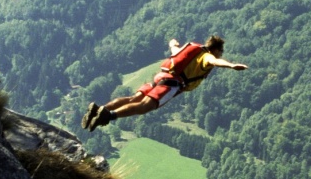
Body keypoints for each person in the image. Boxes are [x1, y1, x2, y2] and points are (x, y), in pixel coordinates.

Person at [82, 35, 247, 130]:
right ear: (216, 49)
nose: (221, 54)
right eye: (221, 51)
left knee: (134, 99)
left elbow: (175, 50)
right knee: (145, 106)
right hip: (172, 83)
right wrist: (231, 65)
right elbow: (214, 61)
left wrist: (172, 44)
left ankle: (100, 108)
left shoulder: (191, 51)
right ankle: (108, 115)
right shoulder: (206, 56)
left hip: (160, 76)